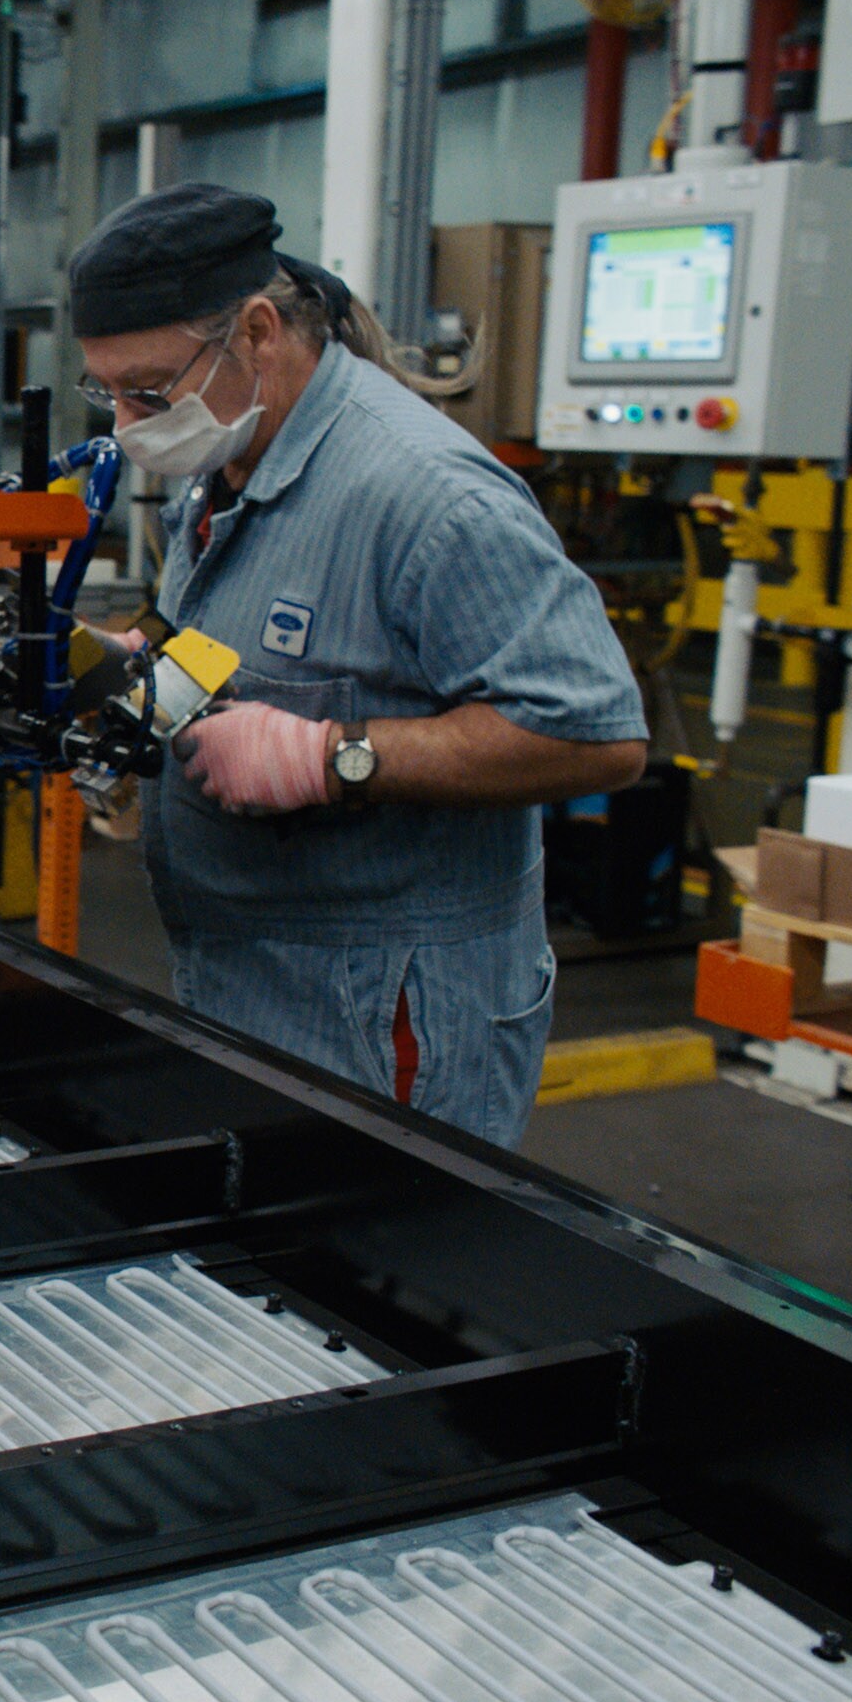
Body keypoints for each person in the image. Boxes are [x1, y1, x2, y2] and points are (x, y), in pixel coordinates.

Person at [69, 183, 648, 1148]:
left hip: (386, 1013)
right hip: (247, 975)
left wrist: (334, 757)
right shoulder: (230, 464)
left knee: (375, 1275)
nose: (128, 423)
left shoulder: (426, 497)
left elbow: (594, 737)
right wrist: (141, 674)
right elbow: (232, 650)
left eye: (150, 391)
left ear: (256, 330)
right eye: (110, 392)